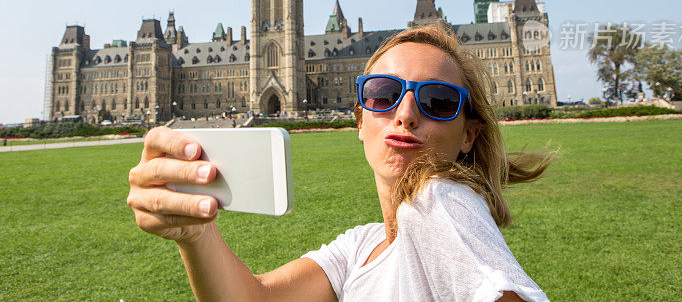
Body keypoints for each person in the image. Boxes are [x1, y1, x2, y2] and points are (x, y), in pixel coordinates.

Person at [127, 23, 554, 301]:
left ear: (469, 134)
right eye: (383, 94)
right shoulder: (362, 246)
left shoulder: (438, 202)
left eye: (437, 100)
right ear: (360, 121)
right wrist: (195, 235)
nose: (405, 113)